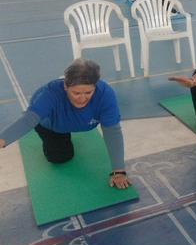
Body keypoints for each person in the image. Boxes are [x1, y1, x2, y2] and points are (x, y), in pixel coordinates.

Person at [0, 59, 131, 189]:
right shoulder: (50, 93)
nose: (82, 98)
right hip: (52, 125)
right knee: (60, 158)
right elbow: (29, 119)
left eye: (88, 92)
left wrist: (118, 171)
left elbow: (112, 132)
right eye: (76, 93)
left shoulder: (105, 95)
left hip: (76, 121)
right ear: (65, 86)